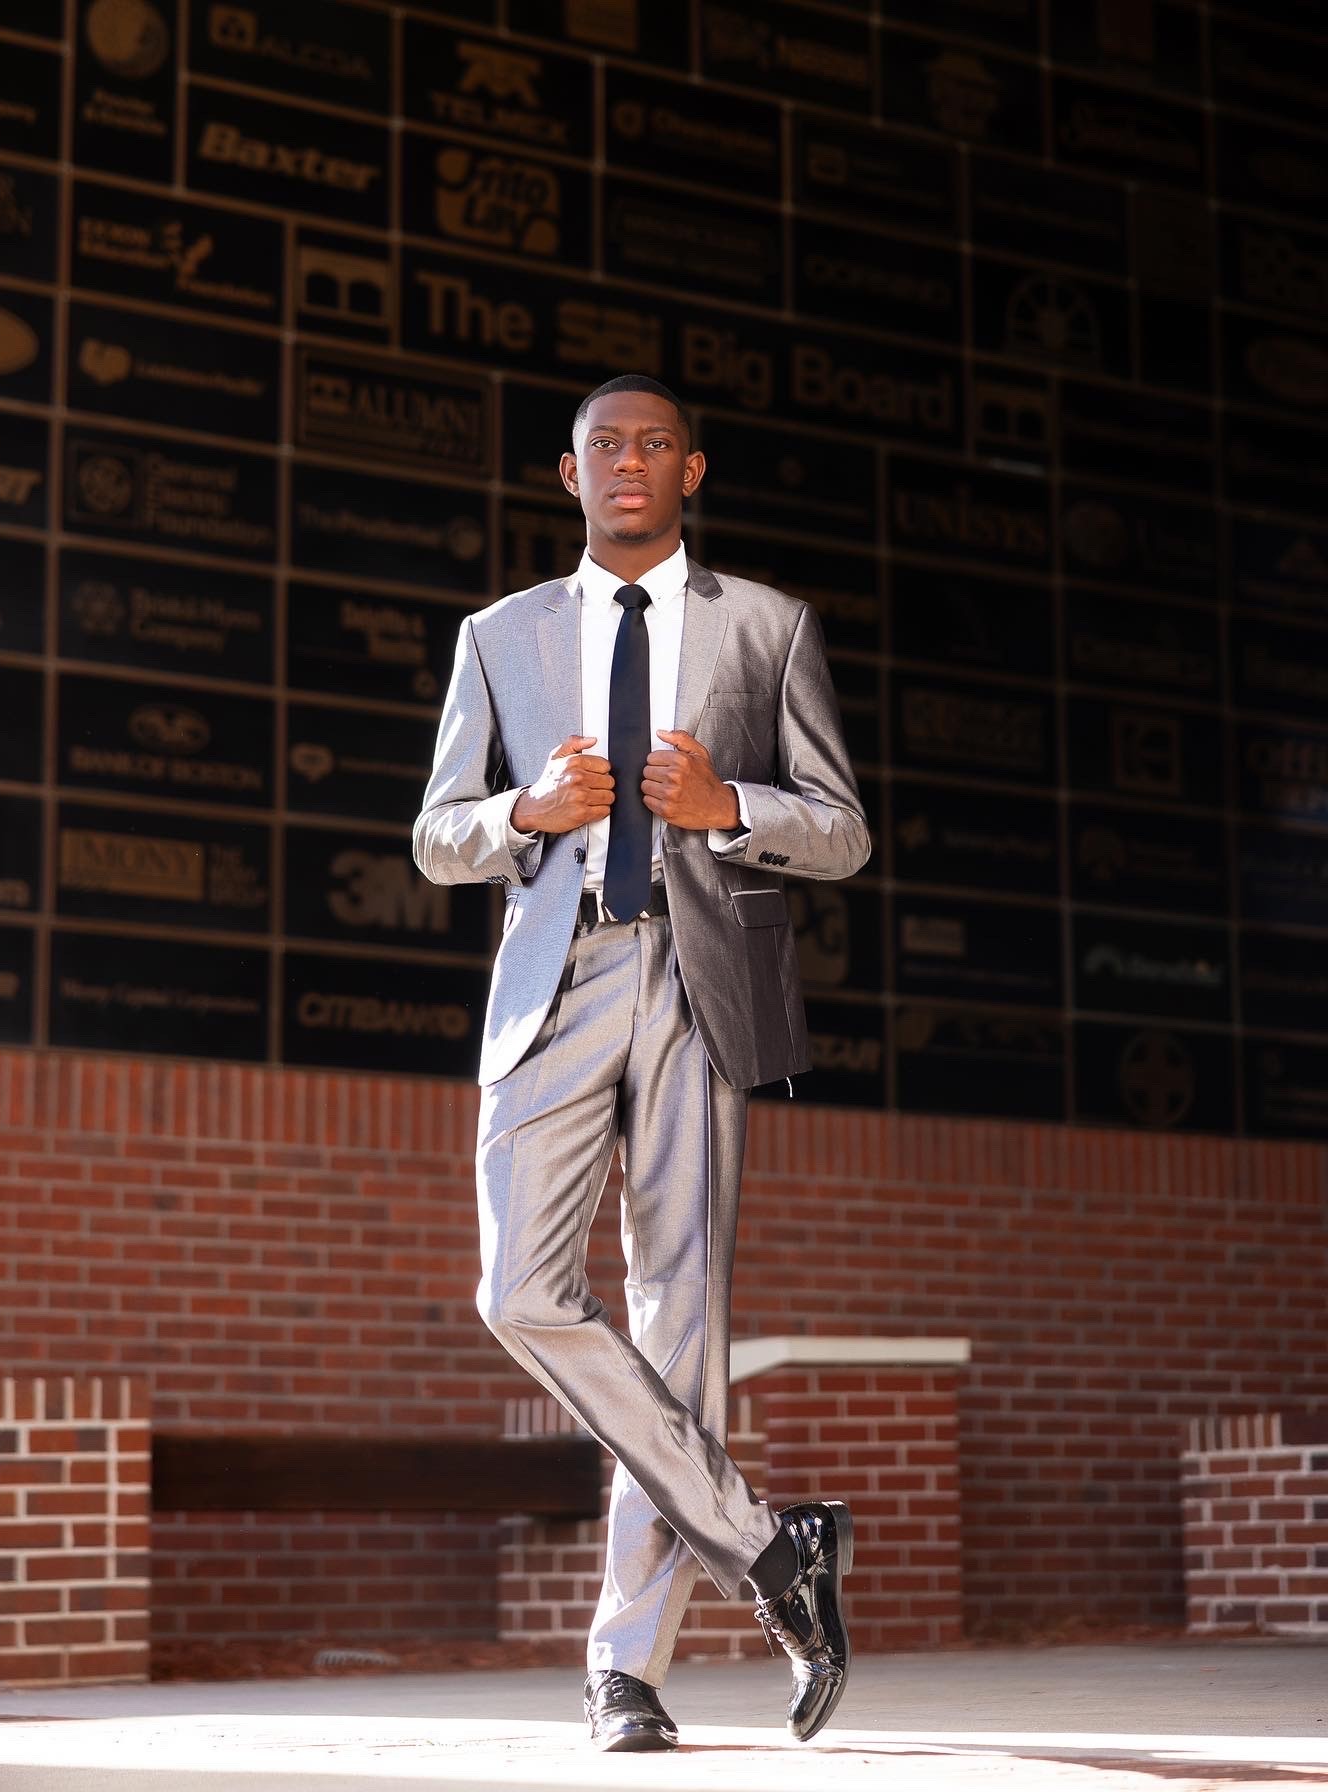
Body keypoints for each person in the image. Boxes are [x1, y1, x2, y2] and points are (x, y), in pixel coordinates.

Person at [413, 374, 871, 1750]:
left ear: (692, 471)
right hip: (554, 983)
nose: (629, 462)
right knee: (518, 1290)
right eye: (604, 445)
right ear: (570, 474)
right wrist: (524, 809)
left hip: (698, 979)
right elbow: (437, 834)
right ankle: (768, 1546)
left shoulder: (769, 626)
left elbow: (841, 828)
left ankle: (628, 1673)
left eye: (654, 445)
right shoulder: (500, 634)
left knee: (681, 1319)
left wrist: (728, 804)